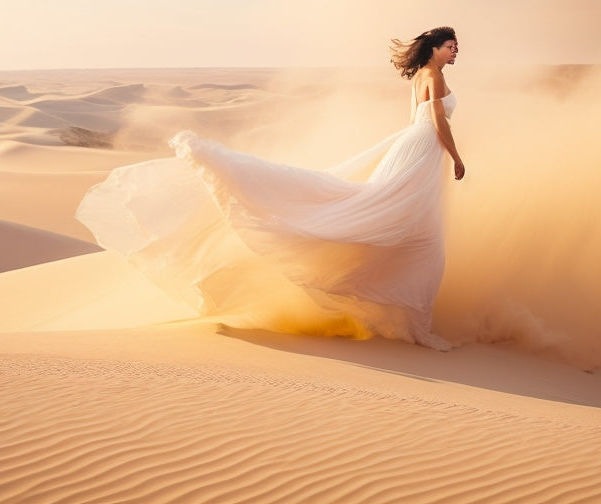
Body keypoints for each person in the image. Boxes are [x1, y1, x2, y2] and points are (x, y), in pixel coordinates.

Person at [76, 27, 464, 350]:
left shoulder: (421, 77)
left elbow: (415, 120)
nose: (455, 50)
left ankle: (405, 318)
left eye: (455, 45)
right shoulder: (434, 76)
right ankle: (414, 324)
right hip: (425, 148)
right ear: (434, 48)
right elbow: (436, 122)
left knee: (408, 228)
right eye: (450, 45)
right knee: (413, 233)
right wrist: (456, 157)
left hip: (419, 149)